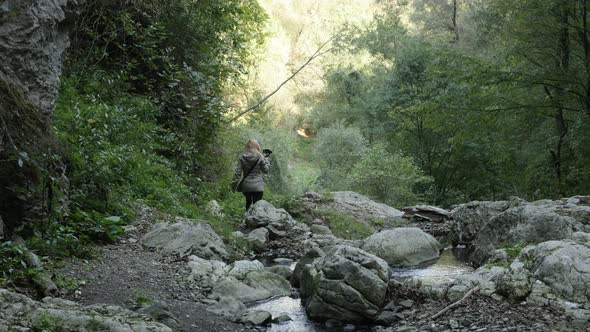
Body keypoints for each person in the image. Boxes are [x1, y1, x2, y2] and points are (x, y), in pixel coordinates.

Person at [231, 139, 271, 210]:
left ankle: (247, 217)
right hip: (258, 186)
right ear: (257, 146)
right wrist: (267, 160)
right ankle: (255, 219)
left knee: (248, 203)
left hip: (246, 186)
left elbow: (237, 173)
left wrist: (233, 186)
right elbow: (266, 170)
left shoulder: (242, 157)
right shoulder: (260, 157)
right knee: (257, 207)